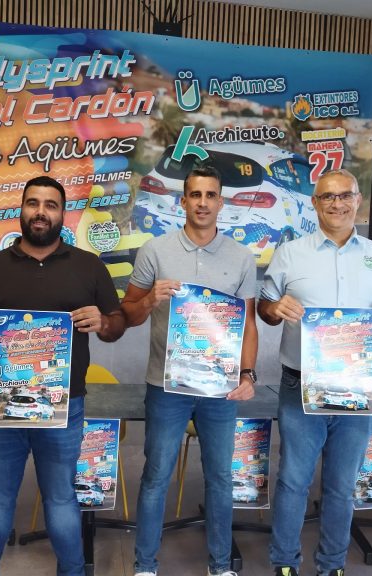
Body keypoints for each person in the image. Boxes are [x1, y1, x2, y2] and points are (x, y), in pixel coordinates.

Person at [0, 175, 125, 576]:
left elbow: (116, 325)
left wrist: (104, 321)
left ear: (63, 214)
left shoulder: (88, 266)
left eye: (50, 205)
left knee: (61, 500)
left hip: (64, 406)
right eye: (33, 203)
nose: (41, 212)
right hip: (2, 407)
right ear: (22, 209)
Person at [257, 169, 372, 576]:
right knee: (293, 481)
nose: (337, 203)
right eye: (327, 197)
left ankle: (331, 566)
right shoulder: (291, 253)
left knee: (343, 486)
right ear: (315, 203)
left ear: (358, 200)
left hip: (357, 388)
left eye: (345, 195)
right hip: (300, 385)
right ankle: (285, 563)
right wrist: (273, 308)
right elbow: (265, 308)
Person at [121, 165, 259, 576]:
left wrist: (248, 375)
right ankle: (145, 566)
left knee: (220, 477)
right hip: (166, 386)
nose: (202, 202)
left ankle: (220, 566)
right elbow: (127, 313)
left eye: (210, 195)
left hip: (221, 389)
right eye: (194, 195)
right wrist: (150, 299)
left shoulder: (241, 257)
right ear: (182, 201)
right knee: (156, 475)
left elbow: (248, 323)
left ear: (221, 201)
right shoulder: (155, 251)